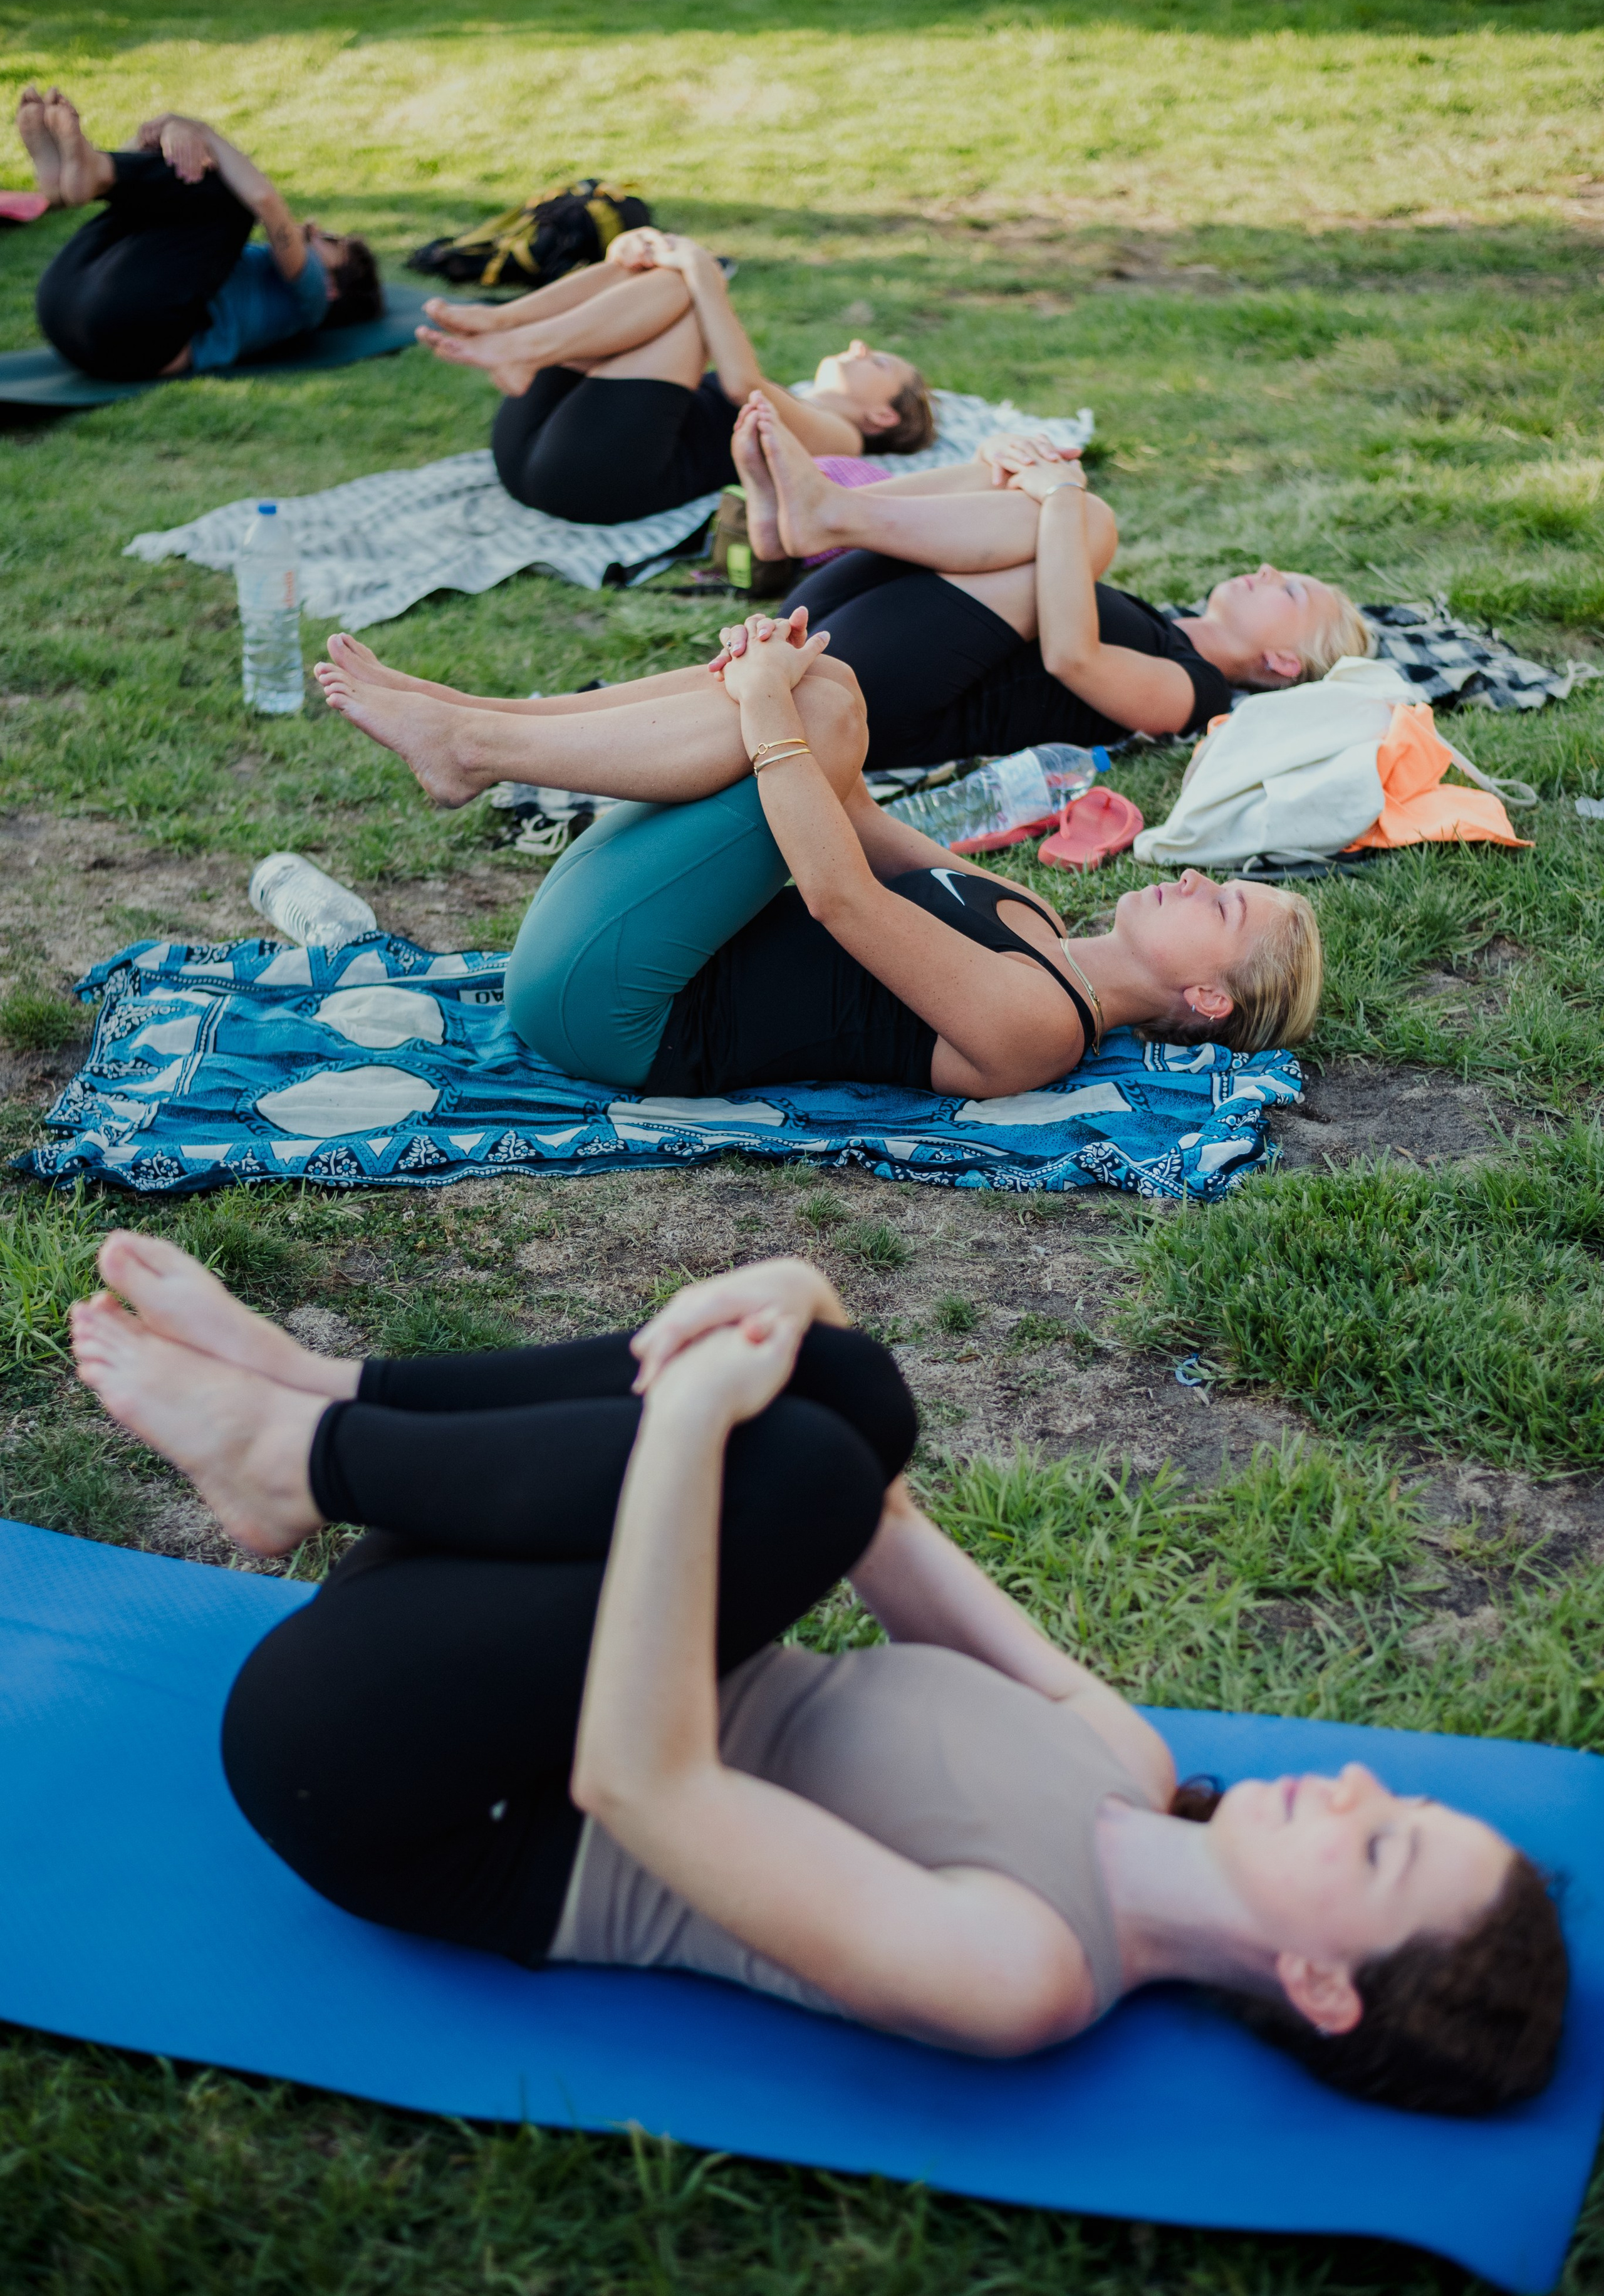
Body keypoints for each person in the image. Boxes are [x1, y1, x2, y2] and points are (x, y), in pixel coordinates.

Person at [68, 1237, 1565, 2116]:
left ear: (1316, 1982)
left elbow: (640, 1780)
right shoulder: (1119, 1748)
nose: (1355, 1786)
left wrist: (691, 1422)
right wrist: (800, 1294)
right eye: (1399, 1797)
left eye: (1376, 1846)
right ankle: (318, 1395)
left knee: (788, 1468)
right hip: (501, 1636)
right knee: (848, 1403)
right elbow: (887, 1505)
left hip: (400, 1776)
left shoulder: (1029, 1971)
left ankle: (301, 1457)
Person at [312, 606, 1323, 1098]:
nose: (1192, 878)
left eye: (1222, 907)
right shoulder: (1039, 922)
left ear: (1210, 1001)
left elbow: (840, 892)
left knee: (808, 715)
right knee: (831, 695)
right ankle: (468, 723)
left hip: (616, 1010)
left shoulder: (1045, 1030)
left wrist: (762, 704)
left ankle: (479, 747)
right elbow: (857, 812)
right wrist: (776, 674)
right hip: (630, 938)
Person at [728, 392, 1375, 771]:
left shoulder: (1197, 694)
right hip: (831, 622)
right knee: (1035, 503)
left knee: (1080, 521)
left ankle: (827, 517)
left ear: (1283, 662)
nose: (1267, 570)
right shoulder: (1157, 620)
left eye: (1290, 591)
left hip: (870, 698)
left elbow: (1072, 656)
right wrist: (1007, 463)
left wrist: (1062, 497)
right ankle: (803, 525)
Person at [414, 224, 934, 524]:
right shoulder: (806, 403)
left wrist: (704, 274)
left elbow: (740, 384)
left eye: (880, 361)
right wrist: (635, 258)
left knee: (685, 291)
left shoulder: (843, 440)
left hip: (593, 480)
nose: (861, 346)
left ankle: (518, 337)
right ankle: (505, 326)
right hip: (538, 447)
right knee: (661, 277)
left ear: (883, 414)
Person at [16, 86, 381, 383]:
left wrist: (197, 129)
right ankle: (76, 175)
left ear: (334, 288)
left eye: (329, 241)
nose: (313, 226)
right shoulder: (237, 259)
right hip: (64, 307)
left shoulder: (312, 301)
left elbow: (264, 200)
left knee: (232, 199)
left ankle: (92, 173)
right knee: (193, 186)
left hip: (130, 340)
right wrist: (166, 137)